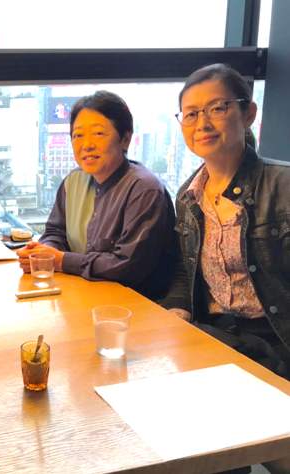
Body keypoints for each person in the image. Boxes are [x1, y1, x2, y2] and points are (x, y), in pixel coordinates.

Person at [161, 62, 290, 474]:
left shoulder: (283, 187)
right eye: (191, 113)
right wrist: (174, 320)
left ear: (248, 113)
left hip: (275, 343)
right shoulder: (188, 197)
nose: (202, 123)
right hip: (215, 337)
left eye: (217, 108)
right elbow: (185, 273)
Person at [17, 91, 175, 299]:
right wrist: (42, 252)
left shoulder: (144, 190)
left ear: (125, 140)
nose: (87, 145)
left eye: (98, 134)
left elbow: (129, 266)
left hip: (135, 306)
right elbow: (56, 232)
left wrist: (60, 260)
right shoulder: (73, 181)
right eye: (78, 135)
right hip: (82, 297)